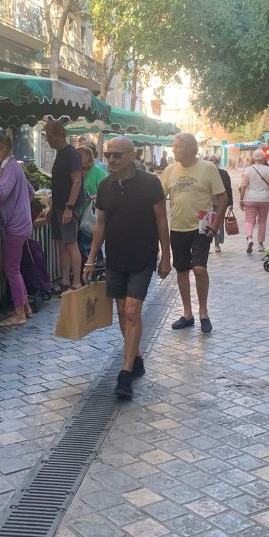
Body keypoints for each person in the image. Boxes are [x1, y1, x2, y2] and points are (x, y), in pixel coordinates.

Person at [84, 138, 171, 400]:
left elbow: (161, 220)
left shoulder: (150, 184)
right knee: (122, 310)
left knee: (132, 311)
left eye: (117, 155)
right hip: (116, 257)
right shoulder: (105, 185)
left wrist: (166, 256)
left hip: (142, 256)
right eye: (108, 155)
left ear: (132, 155)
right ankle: (136, 358)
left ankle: (125, 373)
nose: (111, 160)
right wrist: (90, 258)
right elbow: (99, 224)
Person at [161, 133, 227, 333]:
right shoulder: (170, 170)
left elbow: (223, 199)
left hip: (201, 227)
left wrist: (216, 224)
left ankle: (204, 312)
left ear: (190, 148)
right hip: (177, 227)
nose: (173, 150)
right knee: (181, 270)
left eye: (177, 146)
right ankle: (187, 313)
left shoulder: (207, 168)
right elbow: (158, 196)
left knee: (199, 269)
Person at [0, 134, 34, 328]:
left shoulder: (10, 167)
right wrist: (22, 208)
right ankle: (26, 307)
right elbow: (30, 191)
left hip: (15, 226)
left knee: (11, 269)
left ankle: (19, 313)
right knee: (15, 268)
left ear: (3, 149)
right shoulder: (13, 167)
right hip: (19, 223)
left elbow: (1, 194)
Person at [43, 120, 84, 293]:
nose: (48, 140)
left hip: (68, 207)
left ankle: (76, 282)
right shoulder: (60, 153)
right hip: (59, 206)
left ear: (59, 135)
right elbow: (59, 183)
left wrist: (69, 207)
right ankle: (65, 280)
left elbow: (76, 181)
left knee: (71, 243)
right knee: (61, 243)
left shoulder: (71, 154)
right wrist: (53, 206)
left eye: (50, 137)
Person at [76, 144, 109, 265]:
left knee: (90, 243)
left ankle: (94, 269)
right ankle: (93, 269)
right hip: (80, 214)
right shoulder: (79, 172)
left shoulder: (98, 172)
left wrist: (95, 196)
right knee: (87, 244)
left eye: (79, 157)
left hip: (93, 215)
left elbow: (107, 190)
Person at [239, 150, 269, 254]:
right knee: (262, 221)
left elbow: (244, 185)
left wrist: (241, 199)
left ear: (254, 158)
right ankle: (260, 244)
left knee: (249, 220)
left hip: (250, 198)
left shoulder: (249, 170)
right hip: (265, 199)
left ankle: (249, 238)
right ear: (263, 158)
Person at [208, 156, 233, 253]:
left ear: (218, 163)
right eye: (211, 162)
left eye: (215, 162)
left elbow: (228, 188)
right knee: (207, 223)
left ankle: (217, 244)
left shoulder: (223, 173)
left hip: (220, 203)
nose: (213, 164)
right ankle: (207, 244)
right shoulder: (205, 173)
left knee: (218, 223)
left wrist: (230, 203)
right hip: (207, 202)